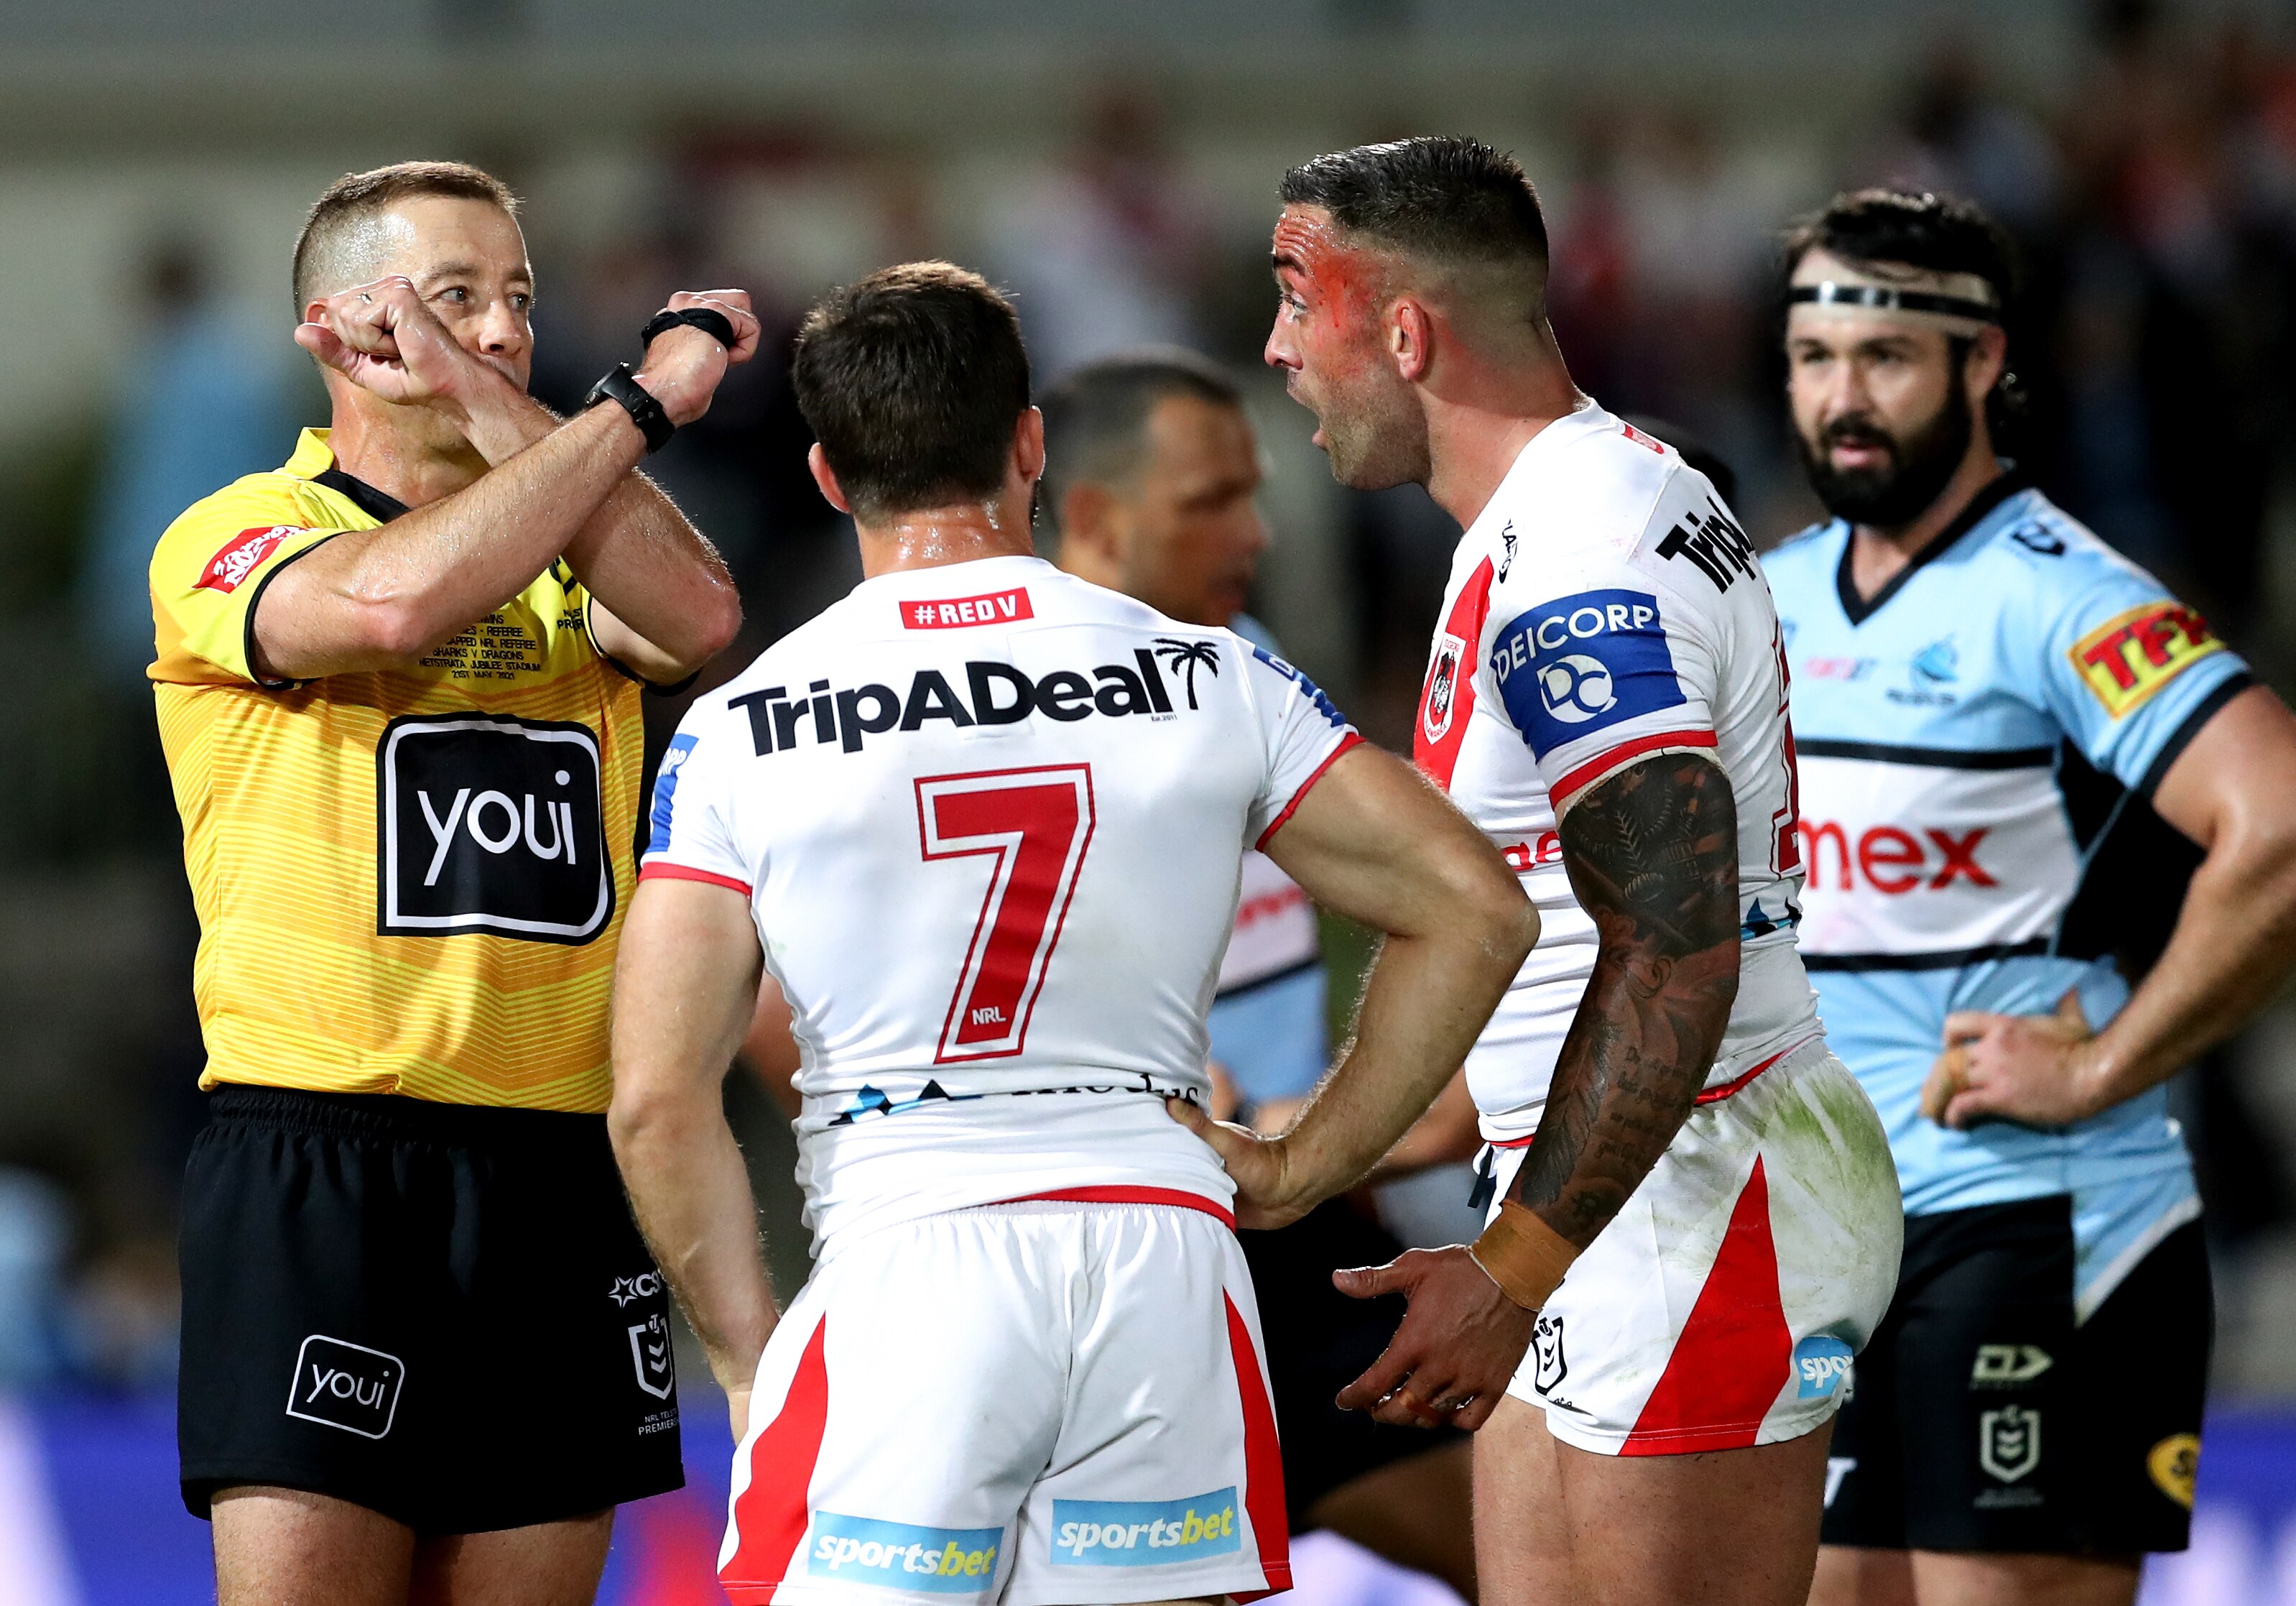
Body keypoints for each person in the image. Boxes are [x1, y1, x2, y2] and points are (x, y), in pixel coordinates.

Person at [607, 262, 1538, 1606]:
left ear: (824, 473)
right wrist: (1296, 1160)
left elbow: (654, 1095)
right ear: (1030, 443)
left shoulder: (746, 724)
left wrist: (752, 1359)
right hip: (1161, 1256)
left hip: (908, 1256)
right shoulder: (1209, 668)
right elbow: (1473, 905)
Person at [1203, 135, 1904, 1606]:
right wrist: (1292, 1162)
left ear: (1403, 331)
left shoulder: (1577, 554)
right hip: (1635, 1205)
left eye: (1291, 298)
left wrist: (1508, 1267)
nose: (1273, 348)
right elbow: (1557, 963)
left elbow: (1675, 946)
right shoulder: (1561, 513)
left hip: (1692, 1210)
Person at [150, 160, 751, 1605]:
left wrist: (515, 418)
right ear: (336, 329)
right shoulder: (238, 532)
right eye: (456, 296)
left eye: (522, 301)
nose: (500, 329)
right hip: (326, 1155)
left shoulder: (575, 548)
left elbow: (704, 616)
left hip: (556, 1175)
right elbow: (389, 600)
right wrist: (637, 411)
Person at [1764, 190, 2296, 1606]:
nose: (1843, 398)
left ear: (1985, 366)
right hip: (1821, 1237)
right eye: (1813, 358)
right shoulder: (1774, 595)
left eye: (1889, 358)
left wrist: (2103, 1060)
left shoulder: (2067, 600)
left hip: (2032, 1229)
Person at [1037, 348, 1481, 1600]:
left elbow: (1431, 900)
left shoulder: (1245, 656)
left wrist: (1342, 1125)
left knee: (1551, 1555)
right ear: (1092, 517)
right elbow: (763, 1011)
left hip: (1295, 1225)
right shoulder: (1002, 702)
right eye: (1211, 502)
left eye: (1251, 490)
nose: (1256, 529)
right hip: (1116, 1253)